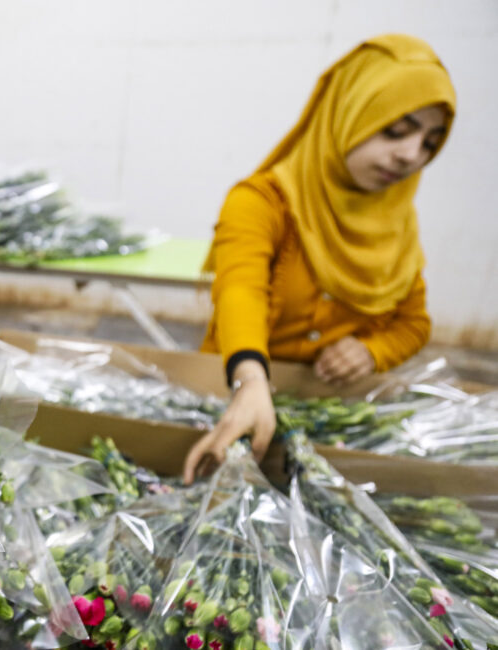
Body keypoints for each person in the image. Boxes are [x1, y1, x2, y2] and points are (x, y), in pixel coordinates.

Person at [184, 34, 456, 484]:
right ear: (348, 109)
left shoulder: (395, 222)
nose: (411, 155)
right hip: (235, 397)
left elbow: (414, 323)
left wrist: (372, 351)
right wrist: (250, 381)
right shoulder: (263, 202)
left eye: (430, 142)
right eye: (396, 129)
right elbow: (240, 290)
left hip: (327, 413)